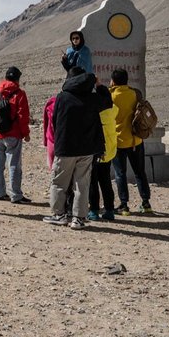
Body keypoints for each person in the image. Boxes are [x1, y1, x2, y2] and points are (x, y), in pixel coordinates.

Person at [44, 69, 103, 229]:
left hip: (66, 147)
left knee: (59, 182)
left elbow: (55, 120)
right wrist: (99, 85)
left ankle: (59, 215)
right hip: (86, 149)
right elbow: (107, 102)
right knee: (81, 184)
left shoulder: (62, 97)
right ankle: (78, 218)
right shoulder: (92, 98)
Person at [109, 69, 152, 216]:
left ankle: (124, 205)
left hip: (119, 141)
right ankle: (146, 202)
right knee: (140, 172)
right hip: (136, 140)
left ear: (113, 81)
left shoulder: (111, 96)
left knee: (120, 174)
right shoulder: (134, 94)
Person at [0, 66, 32, 203]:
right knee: (14, 165)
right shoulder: (20, 93)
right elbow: (22, 116)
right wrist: (26, 133)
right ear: (18, 78)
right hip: (14, 134)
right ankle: (16, 195)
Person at [87, 83, 118, 221]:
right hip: (109, 150)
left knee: (93, 182)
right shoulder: (113, 110)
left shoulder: (95, 111)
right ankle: (109, 209)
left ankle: (94, 210)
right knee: (106, 182)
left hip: (96, 149)